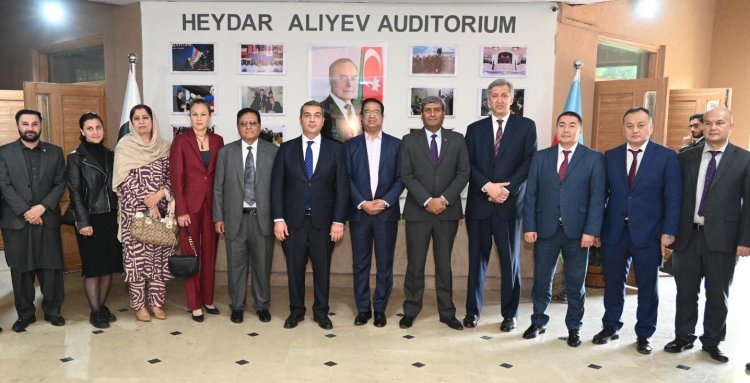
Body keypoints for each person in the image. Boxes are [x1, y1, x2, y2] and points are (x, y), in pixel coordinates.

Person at [593, 107, 682, 354]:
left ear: (650, 127)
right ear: (624, 128)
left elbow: (673, 198)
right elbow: (601, 196)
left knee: (647, 285)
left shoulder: (666, 157)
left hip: (649, 233)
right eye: (630, 125)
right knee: (613, 283)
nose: (635, 130)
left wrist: (669, 232)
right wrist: (596, 228)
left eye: (641, 125)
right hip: (614, 231)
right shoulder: (610, 156)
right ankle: (610, 326)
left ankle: (644, 333)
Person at [664, 106, 750, 363]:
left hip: (724, 240)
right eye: (709, 123)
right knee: (686, 292)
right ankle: (683, 337)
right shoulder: (685, 157)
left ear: (730, 126)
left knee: (717, 294)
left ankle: (712, 342)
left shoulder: (744, 160)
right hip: (687, 237)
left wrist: (745, 241)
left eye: (720, 123)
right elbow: (674, 198)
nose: (713, 127)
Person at [521, 111, 605, 347]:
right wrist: (530, 225)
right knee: (542, 280)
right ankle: (538, 321)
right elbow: (531, 194)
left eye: (572, 125)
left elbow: (597, 197)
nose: (566, 129)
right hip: (546, 229)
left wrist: (591, 230)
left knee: (575, 283)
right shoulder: (541, 157)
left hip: (579, 233)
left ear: (580, 130)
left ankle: (574, 328)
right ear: (556, 129)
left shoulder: (594, 158)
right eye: (562, 125)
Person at [464, 79, 537, 331]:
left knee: (510, 263)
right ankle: (472, 312)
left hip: (508, 206)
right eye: (494, 96)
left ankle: (510, 314)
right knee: (476, 262)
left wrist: (506, 189)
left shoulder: (526, 127)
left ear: (512, 99)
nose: (499, 100)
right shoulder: (474, 129)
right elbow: (468, 164)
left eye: (504, 95)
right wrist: (488, 187)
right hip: (479, 206)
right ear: (488, 100)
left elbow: (529, 161)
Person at [271, 100, 349, 330]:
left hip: (324, 224)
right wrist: (278, 219)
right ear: (300, 119)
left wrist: (338, 221)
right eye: (307, 115)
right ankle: (296, 311)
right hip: (292, 222)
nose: (312, 119)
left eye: (317, 115)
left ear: (323, 121)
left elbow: (342, 188)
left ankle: (321, 312)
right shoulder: (286, 149)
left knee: (322, 269)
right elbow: (277, 186)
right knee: (294, 269)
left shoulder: (336, 150)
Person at [398, 96, 470, 331]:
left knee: (444, 264)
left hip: (447, 213)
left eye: (436, 110)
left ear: (443, 113)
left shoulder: (457, 140)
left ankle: (447, 312)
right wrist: (428, 200)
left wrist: (445, 200)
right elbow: (406, 175)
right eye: (427, 110)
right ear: (421, 114)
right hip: (418, 212)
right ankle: (410, 310)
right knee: (415, 264)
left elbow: (463, 173)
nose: (432, 114)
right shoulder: (409, 141)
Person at [0, 109, 66, 333]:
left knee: (51, 268)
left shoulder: (55, 152)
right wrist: (26, 211)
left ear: (41, 125)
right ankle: (25, 315)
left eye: (34, 124)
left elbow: (60, 184)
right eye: (25, 123)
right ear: (18, 125)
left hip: (46, 219)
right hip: (16, 222)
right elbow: (4, 185)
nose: (30, 128)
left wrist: (41, 208)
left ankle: (52, 311)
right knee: (21, 270)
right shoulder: (4, 152)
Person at [214, 108, 278, 324]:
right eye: (244, 123)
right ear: (238, 127)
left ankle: (262, 305)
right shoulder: (226, 152)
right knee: (236, 267)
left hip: (263, 219)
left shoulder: (273, 152)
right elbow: (218, 189)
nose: (248, 127)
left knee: (262, 266)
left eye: (252, 123)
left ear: (259, 126)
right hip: (235, 219)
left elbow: (279, 189)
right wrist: (218, 217)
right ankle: (237, 306)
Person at [344, 98, 404, 327]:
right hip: (360, 214)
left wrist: (385, 201)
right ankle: (362, 309)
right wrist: (362, 202)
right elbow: (346, 178)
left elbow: (401, 178)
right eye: (367, 112)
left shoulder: (396, 145)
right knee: (360, 263)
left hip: (386, 214)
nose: (371, 116)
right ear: (360, 117)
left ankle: (380, 308)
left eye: (376, 112)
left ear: (382, 117)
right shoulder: (350, 146)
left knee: (384, 263)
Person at [114, 104, 174, 322]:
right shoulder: (125, 146)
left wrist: (160, 195)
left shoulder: (164, 147)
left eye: (145, 117)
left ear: (152, 120)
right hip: (134, 214)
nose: (141, 122)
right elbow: (122, 183)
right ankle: (139, 305)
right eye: (137, 118)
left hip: (160, 213)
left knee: (159, 260)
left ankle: (157, 303)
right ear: (132, 123)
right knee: (136, 261)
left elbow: (171, 178)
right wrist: (148, 203)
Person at [66, 112, 123, 329]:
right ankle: (95, 311)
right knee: (93, 268)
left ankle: (101, 305)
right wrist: (83, 222)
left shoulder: (110, 154)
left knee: (107, 265)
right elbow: (75, 192)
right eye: (90, 128)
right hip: (89, 219)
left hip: (110, 217)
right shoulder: (75, 157)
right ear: (82, 132)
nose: (95, 132)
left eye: (98, 127)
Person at [170, 98, 224, 322]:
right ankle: (194, 304)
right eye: (195, 114)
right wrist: (181, 210)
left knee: (210, 254)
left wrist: (221, 211)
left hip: (212, 206)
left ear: (209, 116)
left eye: (203, 114)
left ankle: (208, 299)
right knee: (191, 254)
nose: (199, 119)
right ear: (189, 116)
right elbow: (176, 177)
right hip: (189, 209)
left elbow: (220, 177)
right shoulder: (181, 141)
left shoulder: (218, 140)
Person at [320, 58, 362, 142]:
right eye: (343, 78)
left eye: (353, 78)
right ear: (331, 80)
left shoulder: (363, 106)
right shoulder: (320, 110)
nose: (349, 84)